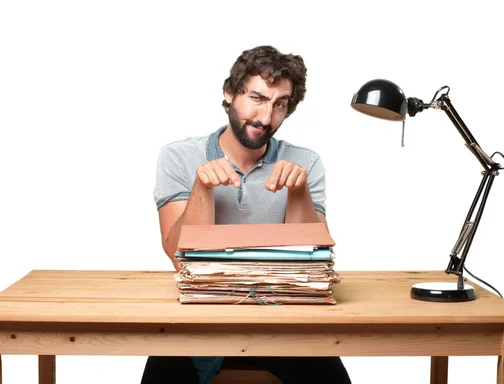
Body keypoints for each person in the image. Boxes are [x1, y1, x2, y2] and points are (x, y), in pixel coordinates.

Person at [143, 45, 351, 384]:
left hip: (284, 321)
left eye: (279, 104)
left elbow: (313, 262)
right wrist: (201, 189)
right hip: (201, 319)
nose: (266, 118)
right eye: (257, 98)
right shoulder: (179, 156)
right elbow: (178, 256)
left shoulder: (305, 162)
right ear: (229, 94)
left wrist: (298, 193)